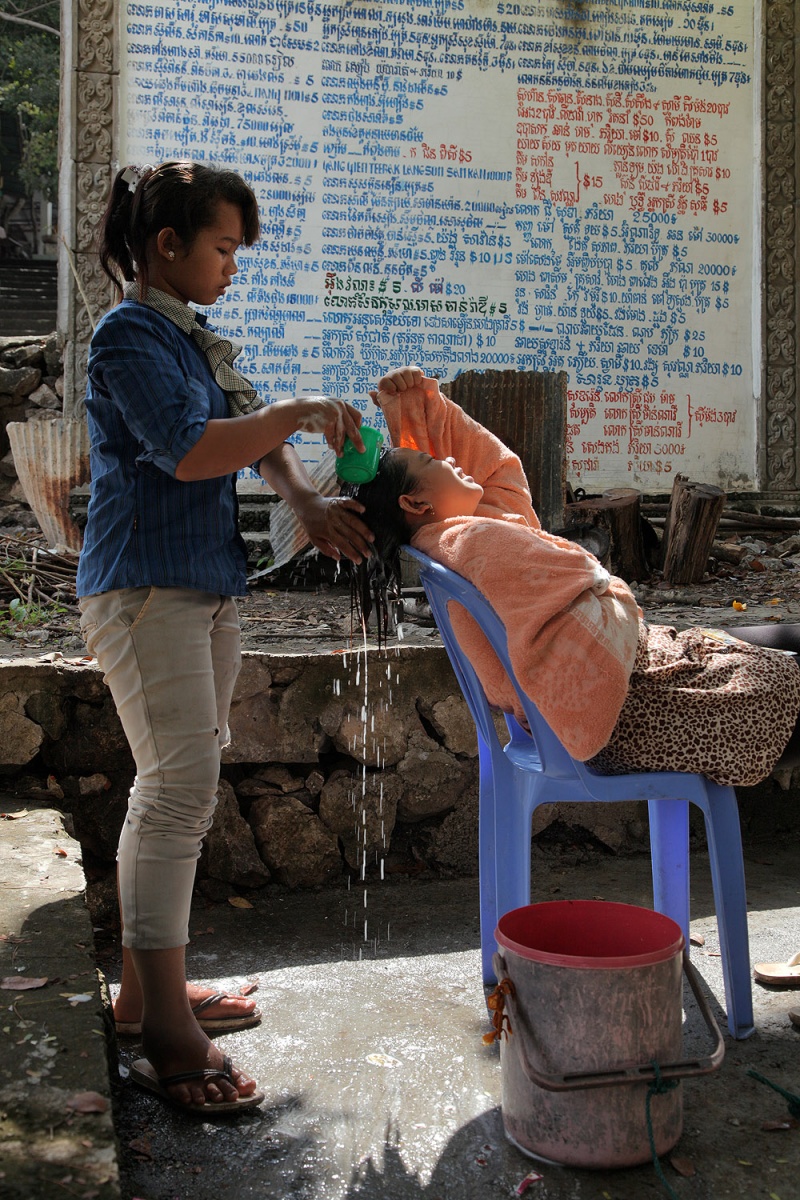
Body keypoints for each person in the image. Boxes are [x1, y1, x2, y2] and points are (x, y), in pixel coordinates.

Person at [76, 161, 373, 1113]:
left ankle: (144, 993)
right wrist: (288, 417)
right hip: (144, 588)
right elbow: (191, 449)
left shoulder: (194, 342)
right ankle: (166, 1025)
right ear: (168, 246)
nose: (232, 267)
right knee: (177, 790)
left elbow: (244, 429)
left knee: (183, 785)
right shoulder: (127, 337)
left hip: (201, 585)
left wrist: (303, 497)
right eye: (223, 248)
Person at [345, 365, 800, 788]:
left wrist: (420, 407)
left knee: (783, 637)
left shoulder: (454, 537)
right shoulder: (478, 543)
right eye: (432, 463)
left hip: (624, 681)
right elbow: (584, 583)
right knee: (781, 677)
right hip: (628, 710)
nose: (450, 461)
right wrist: (615, 598)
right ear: (417, 506)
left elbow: (497, 473)